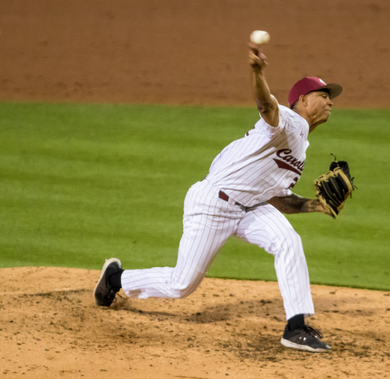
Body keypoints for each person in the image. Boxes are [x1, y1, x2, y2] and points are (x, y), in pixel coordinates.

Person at [94, 42, 343, 353]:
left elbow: (277, 199)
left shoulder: (301, 146)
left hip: (249, 209)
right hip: (213, 204)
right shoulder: (290, 122)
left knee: (288, 241)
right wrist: (257, 72)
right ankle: (115, 279)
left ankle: (296, 328)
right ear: (303, 100)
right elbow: (266, 105)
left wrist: (315, 206)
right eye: (324, 95)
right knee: (181, 285)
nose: (330, 101)